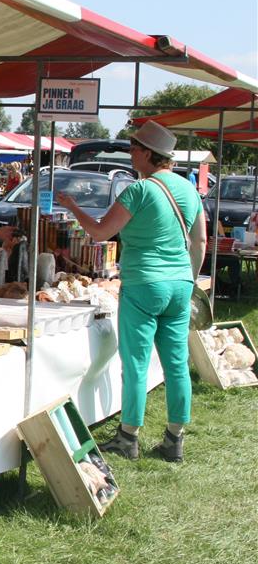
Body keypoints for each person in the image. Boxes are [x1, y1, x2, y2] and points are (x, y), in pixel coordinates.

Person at [56, 121, 206, 463]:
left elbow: (100, 232)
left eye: (134, 149)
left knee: (136, 363)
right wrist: (190, 279)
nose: (131, 154)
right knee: (177, 364)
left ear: (149, 154)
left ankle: (128, 437)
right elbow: (199, 241)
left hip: (143, 283)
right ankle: (175, 439)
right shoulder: (189, 189)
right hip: (180, 284)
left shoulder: (139, 190)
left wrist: (73, 206)